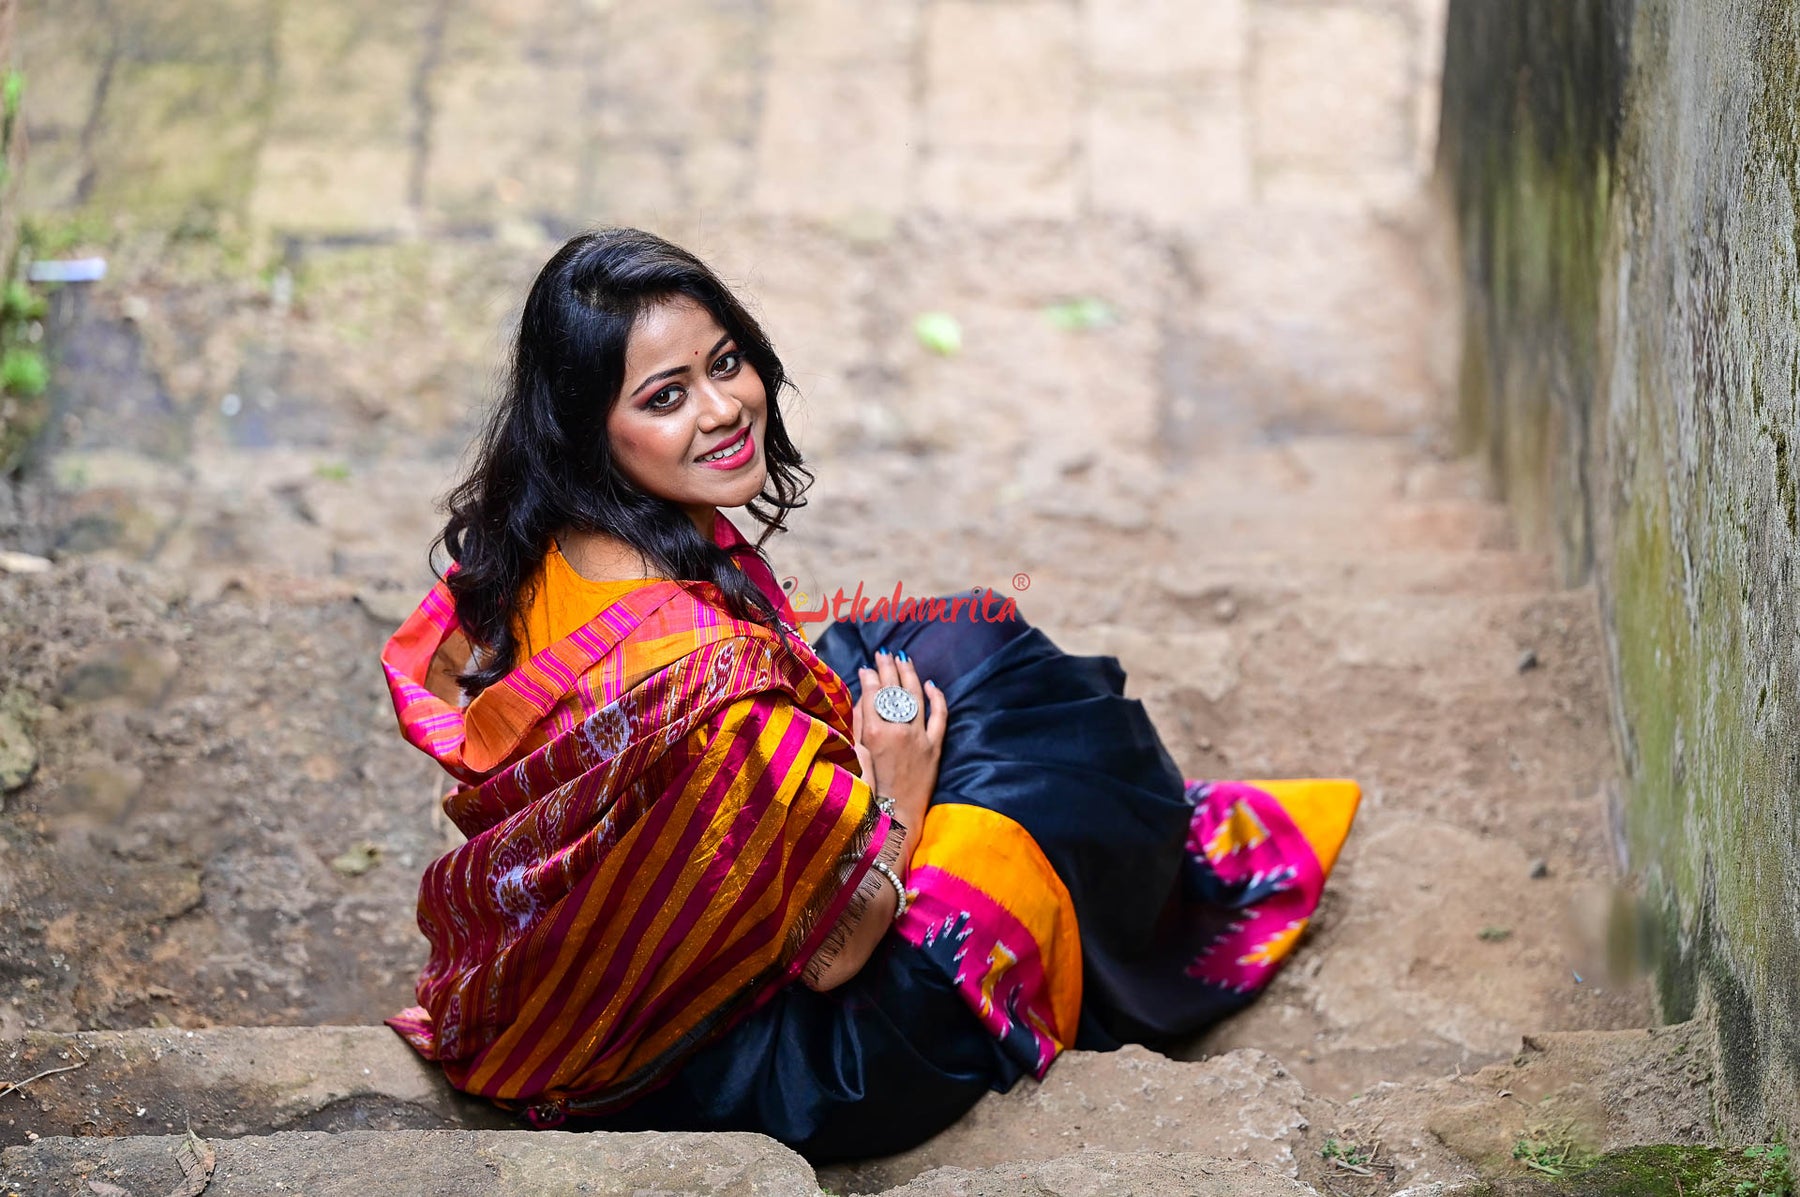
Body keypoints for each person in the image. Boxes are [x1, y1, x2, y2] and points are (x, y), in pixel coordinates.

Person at [380, 228, 1359, 1160]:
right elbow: (829, 959)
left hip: (628, 945)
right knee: (1037, 806)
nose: (722, 409)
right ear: (592, 432)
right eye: (666, 396)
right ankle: (1149, 919)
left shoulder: (538, 537)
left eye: (726, 363)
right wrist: (895, 796)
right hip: (771, 1054)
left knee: (969, 644)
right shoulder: (718, 703)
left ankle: (1130, 851)